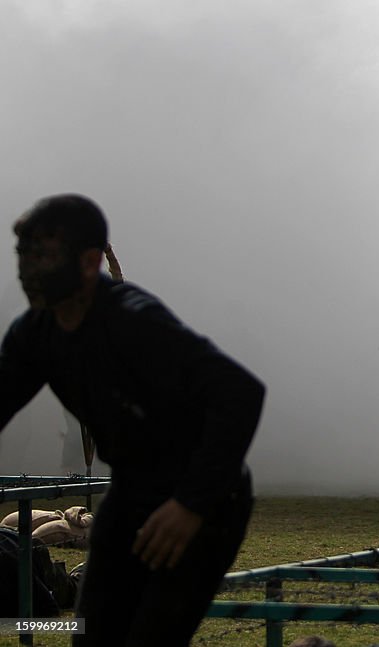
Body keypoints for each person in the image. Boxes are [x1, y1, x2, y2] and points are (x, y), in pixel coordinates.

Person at [0, 194, 265, 646]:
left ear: (88, 262)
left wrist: (190, 505)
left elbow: (239, 392)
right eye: (22, 254)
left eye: (43, 255)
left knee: (151, 637)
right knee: (91, 635)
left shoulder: (133, 319)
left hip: (204, 499)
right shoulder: (35, 333)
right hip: (132, 491)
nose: (28, 269)